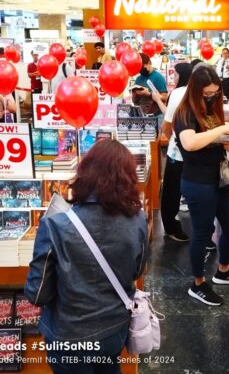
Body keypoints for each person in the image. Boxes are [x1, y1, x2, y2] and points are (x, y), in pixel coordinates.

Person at [25, 139, 148, 374]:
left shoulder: (54, 225)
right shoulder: (138, 220)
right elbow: (138, 270)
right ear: (129, 178)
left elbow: (37, 293)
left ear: (84, 173)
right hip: (114, 329)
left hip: (68, 335)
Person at [173, 64, 229, 306]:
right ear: (195, 91)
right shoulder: (184, 112)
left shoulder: (211, 110)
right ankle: (198, 284)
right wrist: (224, 129)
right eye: (207, 94)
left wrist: (228, 140)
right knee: (202, 233)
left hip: (218, 178)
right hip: (198, 181)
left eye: (216, 93)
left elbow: (215, 140)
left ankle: (223, 270)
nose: (212, 96)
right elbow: (191, 143)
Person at [157, 62, 193, 241]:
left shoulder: (178, 93)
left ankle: (170, 226)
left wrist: (173, 138)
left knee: (172, 189)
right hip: (195, 152)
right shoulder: (195, 93)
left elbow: (167, 124)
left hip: (177, 152)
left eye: (175, 75)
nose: (173, 78)